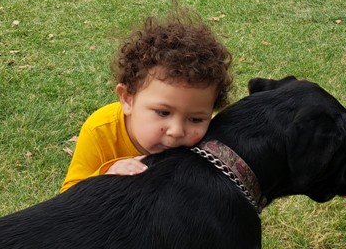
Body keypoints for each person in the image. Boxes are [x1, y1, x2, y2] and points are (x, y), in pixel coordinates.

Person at [60, 12, 233, 192]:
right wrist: (105, 176)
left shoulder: (208, 143)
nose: (176, 131)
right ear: (128, 99)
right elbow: (68, 196)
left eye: (196, 119)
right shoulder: (100, 131)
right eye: (163, 113)